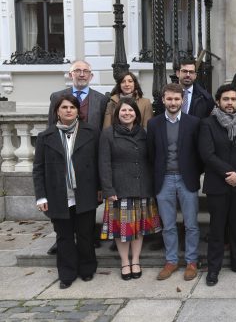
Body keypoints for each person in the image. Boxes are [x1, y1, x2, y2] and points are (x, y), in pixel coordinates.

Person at [33, 95, 100, 289]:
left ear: (78, 110)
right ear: (57, 111)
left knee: (86, 234)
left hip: (85, 192)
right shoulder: (46, 137)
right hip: (58, 195)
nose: (68, 110)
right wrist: (41, 196)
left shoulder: (91, 132)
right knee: (64, 237)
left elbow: (98, 163)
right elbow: (38, 169)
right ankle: (67, 273)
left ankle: (87, 269)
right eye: (64, 107)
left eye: (72, 107)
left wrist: (100, 189)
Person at [46, 60, 109, 256]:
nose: (81, 74)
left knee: (88, 202)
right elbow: (50, 127)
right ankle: (63, 238)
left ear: (91, 76)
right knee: (62, 201)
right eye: (77, 71)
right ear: (70, 75)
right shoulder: (57, 97)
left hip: (89, 159)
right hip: (64, 158)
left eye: (85, 71)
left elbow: (103, 129)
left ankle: (87, 238)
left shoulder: (101, 99)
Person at [199, 84, 236, 286]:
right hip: (218, 185)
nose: (230, 103)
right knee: (217, 228)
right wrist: (229, 173)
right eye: (226, 99)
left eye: (233, 99)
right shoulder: (207, 124)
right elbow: (207, 154)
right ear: (218, 101)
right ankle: (214, 268)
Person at [99, 98, 161, 280]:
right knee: (122, 230)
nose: (127, 114)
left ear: (136, 113)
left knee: (138, 229)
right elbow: (104, 164)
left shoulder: (144, 133)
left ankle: (136, 260)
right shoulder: (108, 134)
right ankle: (124, 261)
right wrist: (108, 190)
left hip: (142, 188)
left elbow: (150, 160)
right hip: (119, 190)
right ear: (117, 114)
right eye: (123, 111)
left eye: (130, 111)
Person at [146, 83, 202, 282]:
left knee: (191, 224)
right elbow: (151, 154)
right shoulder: (154, 124)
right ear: (163, 100)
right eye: (169, 99)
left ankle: (191, 261)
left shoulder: (194, 123)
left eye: (177, 99)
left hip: (187, 179)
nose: (173, 102)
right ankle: (171, 261)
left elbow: (199, 154)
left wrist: (194, 172)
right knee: (168, 224)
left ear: (182, 100)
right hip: (164, 179)